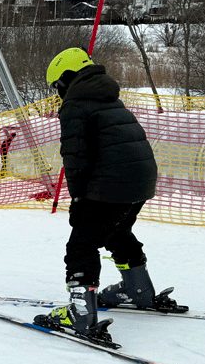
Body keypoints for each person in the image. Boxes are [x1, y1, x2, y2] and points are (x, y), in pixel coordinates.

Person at [34, 47, 179, 344]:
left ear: (66, 78)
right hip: (139, 180)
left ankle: (80, 314)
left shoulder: (76, 105)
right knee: (117, 232)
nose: (57, 92)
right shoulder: (108, 97)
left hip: (110, 183)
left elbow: (76, 158)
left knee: (81, 245)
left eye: (57, 86)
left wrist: (79, 200)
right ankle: (138, 289)